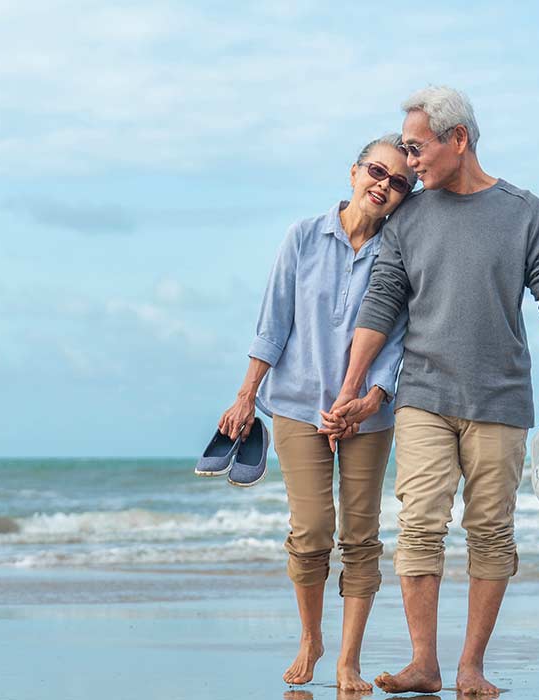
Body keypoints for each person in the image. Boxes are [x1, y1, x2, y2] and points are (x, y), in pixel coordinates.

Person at [323, 86, 539, 697]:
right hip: (423, 394)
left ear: (458, 139)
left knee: (491, 531)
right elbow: (382, 300)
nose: (411, 162)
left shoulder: (523, 210)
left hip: (500, 400)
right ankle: (425, 665)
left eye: (417, 149)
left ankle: (470, 667)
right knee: (419, 526)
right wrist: (352, 387)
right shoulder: (408, 218)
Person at [216, 135, 415, 692]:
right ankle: (310, 637)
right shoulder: (302, 236)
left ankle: (348, 659)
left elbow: (398, 339)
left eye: (400, 182)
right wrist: (245, 395)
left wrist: (373, 398)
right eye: (378, 171)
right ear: (353, 172)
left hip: (367, 417)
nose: (385, 185)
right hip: (297, 408)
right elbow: (273, 323)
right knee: (310, 531)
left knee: (361, 535)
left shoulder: (399, 254)